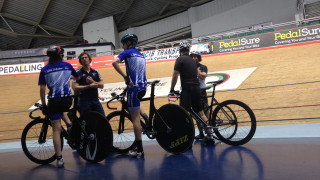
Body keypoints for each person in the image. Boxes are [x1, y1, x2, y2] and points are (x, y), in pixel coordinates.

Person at [38, 46, 80, 168]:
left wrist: (44, 105)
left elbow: (42, 88)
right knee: (62, 111)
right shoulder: (67, 66)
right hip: (67, 100)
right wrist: (68, 77)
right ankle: (70, 125)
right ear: (60, 55)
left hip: (54, 101)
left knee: (56, 129)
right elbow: (77, 77)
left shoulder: (45, 69)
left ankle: (59, 159)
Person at [169, 41, 214, 143]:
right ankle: (210, 135)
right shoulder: (193, 61)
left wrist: (171, 89)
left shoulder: (179, 59)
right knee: (201, 113)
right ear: (188, 50)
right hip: (196, 89)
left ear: (180, 50)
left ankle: (186, 138)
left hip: (187, 89)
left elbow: (175, 75)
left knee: (183, 114)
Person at [112, 33, 148, 158]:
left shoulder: (127, 53)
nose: (122, 46)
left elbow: (114, 63)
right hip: (143, 87)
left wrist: (125, 77)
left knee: (135, 119)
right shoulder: (141, 55)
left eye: (123, 43)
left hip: (134, 88)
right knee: (136, 110)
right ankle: (147, 119)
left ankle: (140, 150)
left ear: (127, 43)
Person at [72, 52, 105, 116]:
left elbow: (102, 85)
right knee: (87, 122)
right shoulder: (78, 73)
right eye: (82, 58)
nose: (84, 59)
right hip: (84, 101)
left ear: (89, 60)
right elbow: (75, 87)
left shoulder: (95, 72)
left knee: (103, 120)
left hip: (95, 100)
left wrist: (92, 81)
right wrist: (89, 86)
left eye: (86, 57)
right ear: (80, 61)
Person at [190, 51, 208, 139]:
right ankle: (201, 133)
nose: (193, 58)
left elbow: (202, 77)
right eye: (192, 57)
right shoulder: (188, 67)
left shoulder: (203, 67)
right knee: (196, 113)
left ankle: (209, 132)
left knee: (204, 112)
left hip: (202, 91)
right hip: (194, 91)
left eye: (195, 57)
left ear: (198, 57)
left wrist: (195, 69)